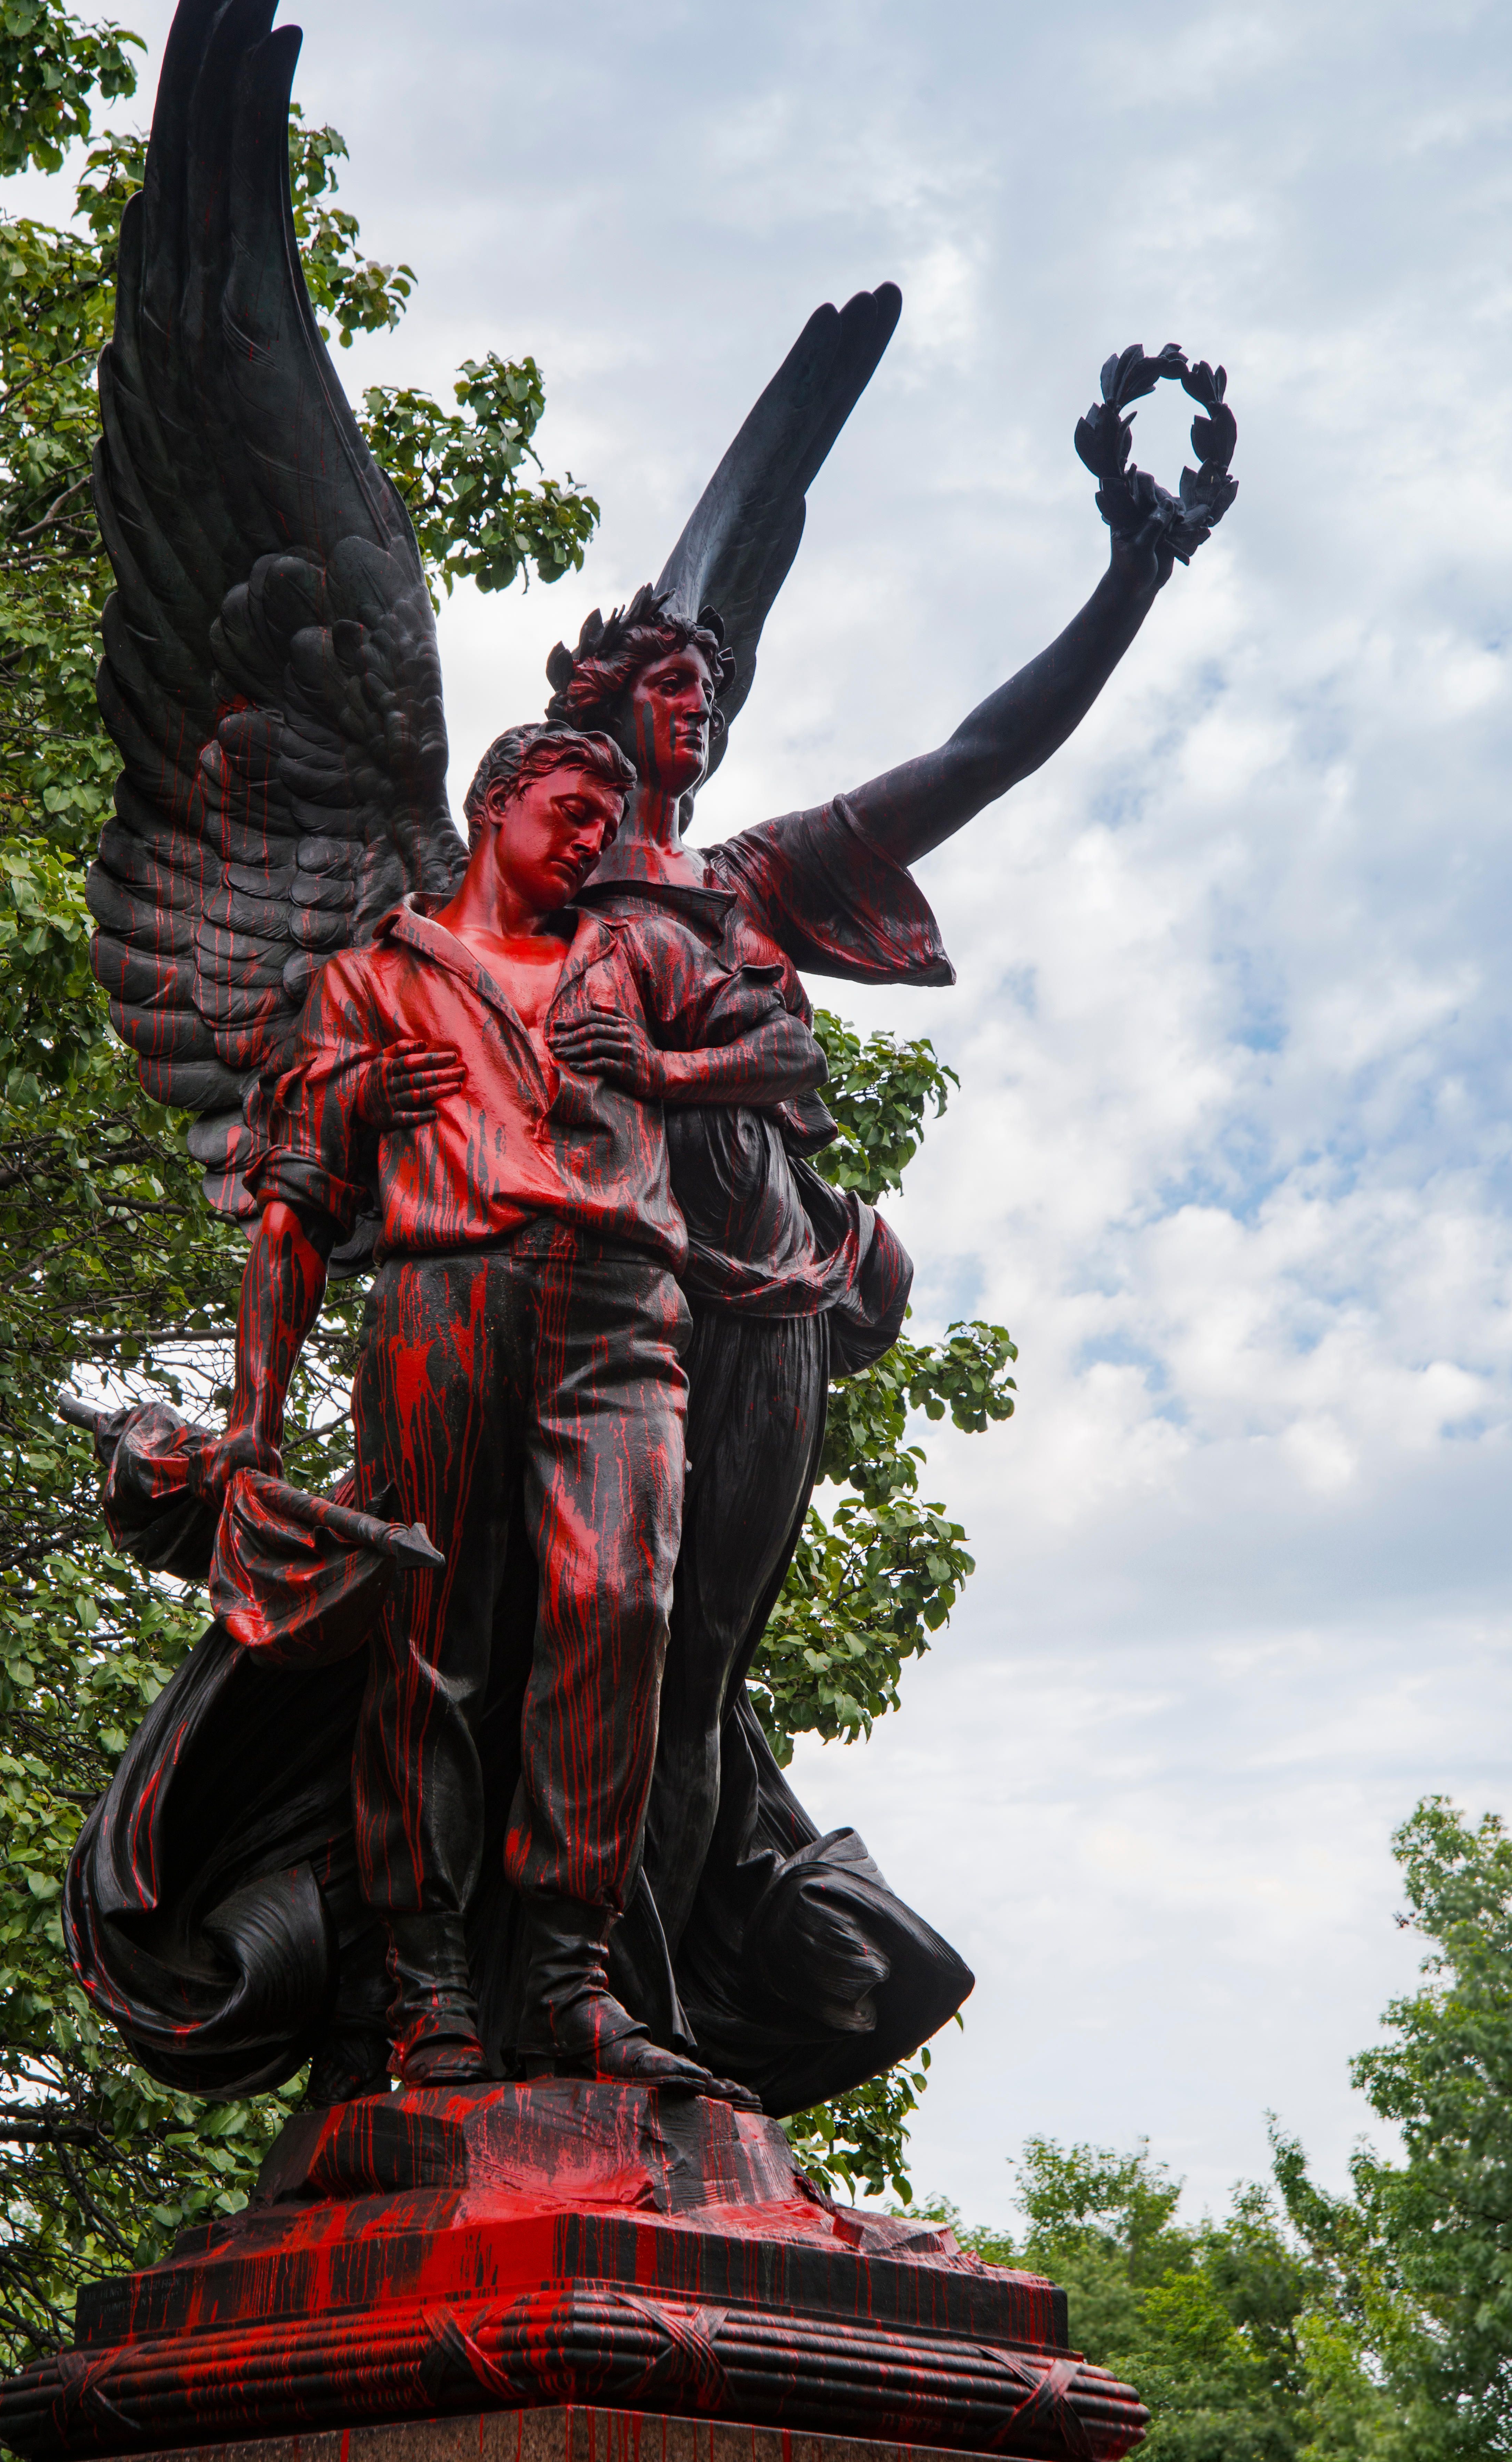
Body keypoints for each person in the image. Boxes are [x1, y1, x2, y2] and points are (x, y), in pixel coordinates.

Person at [540, 527, 1172, 2099]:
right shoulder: (531, 885)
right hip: (609, 1300)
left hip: (772, 1306)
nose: (703, 703)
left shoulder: (749, 879)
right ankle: (550, 1988)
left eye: (714, 687)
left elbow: (979, 756)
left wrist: (1130, 580)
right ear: (596, 705)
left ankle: (646, 2018)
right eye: (671, 680)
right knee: (597, 1639)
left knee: (697, 1673)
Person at [204, 720, 828, 2099]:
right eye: (571, 809)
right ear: (495, 804)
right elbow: (292, 1208)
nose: (595, 837)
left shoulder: (635, 956)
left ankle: (569, 1980)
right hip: (443, 1301)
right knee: (428, 1638)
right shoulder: (373, 977)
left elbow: (788, 1053)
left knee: (622, 1606)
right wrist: (254, 1420)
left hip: (620, 1312)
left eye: (609, 817)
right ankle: (426, 1984)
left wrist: (661, 1070)